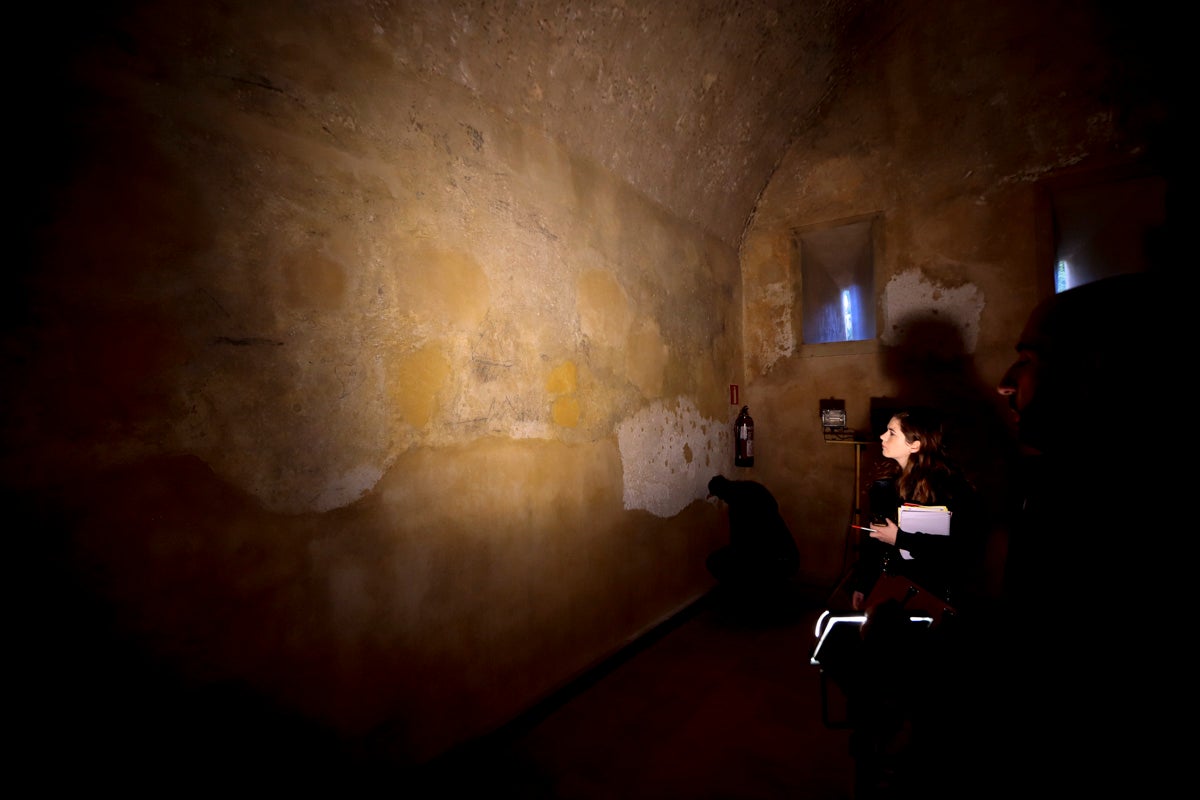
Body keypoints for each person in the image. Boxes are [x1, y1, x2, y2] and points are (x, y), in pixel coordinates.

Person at [982, 271, 1180, 797]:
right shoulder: (1054, 480)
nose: (1006, 382)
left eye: (1028, 361)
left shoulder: (1103, 514)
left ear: (1094, 370)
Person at [849, 407, 983, 615]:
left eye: (892, 433)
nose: (882, 436)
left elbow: (961, 549)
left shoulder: (951, 489)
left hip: (933, 593)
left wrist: (900, 539)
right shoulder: (884, 486)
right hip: (890, 589)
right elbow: (875, 543)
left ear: (915, 445)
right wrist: (863, 584)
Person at [705, 474, 800, 612]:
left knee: (717, 562)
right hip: (787, 556)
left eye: (719, 496)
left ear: (722, 493)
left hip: (775, 559)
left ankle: (750, 603)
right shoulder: (753, 488)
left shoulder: (737, 506)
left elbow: (739, 544)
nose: (721, 500)